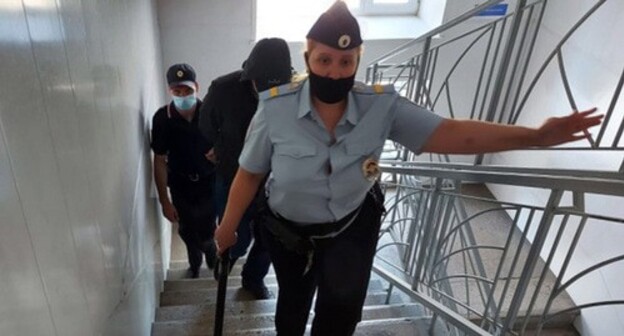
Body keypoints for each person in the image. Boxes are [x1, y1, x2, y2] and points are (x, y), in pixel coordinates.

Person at [214, 1, 604, 335]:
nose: (334, 72)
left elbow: (453, 133)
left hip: (350, 230)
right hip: (288, 233)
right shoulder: (275, 107)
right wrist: (228, 227)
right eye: (325, 60)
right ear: (309, 57)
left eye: (345, 62)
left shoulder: (381, 107)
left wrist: (533, 136)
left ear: (357, 61)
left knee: (341, 314)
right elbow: (249, 173)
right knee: (292, 306)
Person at [199, 38, 292, 299]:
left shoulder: (294, 93)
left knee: (269, 240)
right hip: (232, 177)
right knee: (235, 237)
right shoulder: (223, 89)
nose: (267, 95)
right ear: (249, 74)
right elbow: (206, 124)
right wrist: (219, 145)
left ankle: (253, 280)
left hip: (274, 184)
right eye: (261, 86)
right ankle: (224, 258)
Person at [151, 63, 216, 279]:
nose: (183, 96)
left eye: (187, 90)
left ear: (197, 87)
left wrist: (220, 153)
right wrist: (164, 201)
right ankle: (195, 263)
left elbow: (227, 144)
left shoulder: (210, 112)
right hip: (180, 184)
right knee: (187, 229)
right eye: (177, 91)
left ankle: (211, 254)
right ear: (170, 90)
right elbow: (159, 160)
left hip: (208, 181)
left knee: (208, 227)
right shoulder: (162, 118)